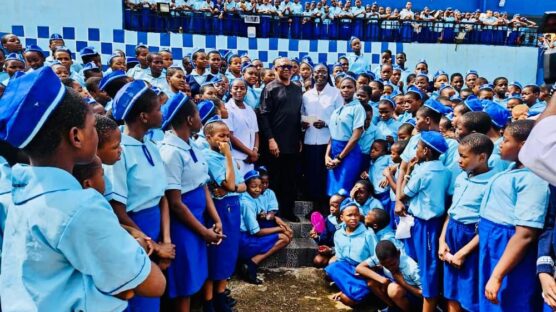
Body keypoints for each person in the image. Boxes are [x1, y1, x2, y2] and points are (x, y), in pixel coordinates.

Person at [0, 66, 166, 310]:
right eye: (92, 128)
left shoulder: (17, 195)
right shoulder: (81, 206)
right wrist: (136, 246)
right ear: (76, 136)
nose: (96, 135)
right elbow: (154, 284)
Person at [104, 80, 175, 312]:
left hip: (156, 227)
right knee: (139, 300)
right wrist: (152, 244)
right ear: (144, 116)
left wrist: (165, 241)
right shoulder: (119, 152)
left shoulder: (151, 145)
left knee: (153, 299)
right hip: (135, 233)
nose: (161, 113)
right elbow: (117, 209)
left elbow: (162, 197)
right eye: (157, 109)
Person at [158, 93, 225, 312]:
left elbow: (202, 185)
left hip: (199, 219)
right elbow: (175, 203)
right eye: (197, 114)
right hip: (185, 225)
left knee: (195, 275)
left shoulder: (191, 146)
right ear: (189, 120)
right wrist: (203, 232)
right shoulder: (170, 152)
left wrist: (214, 218)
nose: (200, 118)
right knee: (184, 281)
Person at [479, 120, 549, 312]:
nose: (500, 143)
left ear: (524, 146)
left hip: (508, 247)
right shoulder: (515, 168)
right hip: (494, 242)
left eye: (506, 140)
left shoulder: (534, 178)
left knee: (508, 301)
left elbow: (525, 234)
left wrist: (497, 275)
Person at [438, 133, 496, 312]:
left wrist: (463, 252)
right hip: (452, 233)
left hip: (471, 238)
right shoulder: (461, 177)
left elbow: (487, 225)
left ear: (482, 157)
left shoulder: (492, 183)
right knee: (451, 290)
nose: (458, 160)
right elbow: (452, 212)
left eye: (463, 156)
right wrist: (442, 240)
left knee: (469, 293)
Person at [398, 131, 451, 312]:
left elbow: (403, 194)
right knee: (423, 264)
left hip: (425, 225)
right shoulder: (445, 170)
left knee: (427, 266)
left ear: (426, 151)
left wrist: (406, 174)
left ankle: (429, 305)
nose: (416, 150)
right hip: (429, 223)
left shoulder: (424, 172)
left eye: (418, 147)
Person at [202, 119, 247, 312]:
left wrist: (233, 187)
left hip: (233, 205)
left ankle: (221, 295)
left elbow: (241, 185)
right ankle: (209, 301)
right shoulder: (210, 157)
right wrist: (229, 156)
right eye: (221, 135)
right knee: (216, 256)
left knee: (229, 253)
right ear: (209, 137)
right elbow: (227, 184)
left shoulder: (227, 157)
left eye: (228, 135)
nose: (226, 139)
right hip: (220, 208)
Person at [259, 57, 303, 222]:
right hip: (275, 143)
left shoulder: (297, 89)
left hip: (292, 142)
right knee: (275, 179)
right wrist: (270, 139)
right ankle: (274, 211)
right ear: (275, 69)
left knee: (290, 179)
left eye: (289, 66)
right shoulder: (269, 89)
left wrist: (299, 137)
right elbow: (264, 116)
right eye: (282, 66)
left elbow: (298, 115)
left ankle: (288, 211)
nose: (286, 69)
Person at [302, 63, 343, 212]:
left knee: (325, 174)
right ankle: (315, 208)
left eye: (324, 72)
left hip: (328, 141)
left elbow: (340, 117)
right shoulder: (306, 95)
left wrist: (326, 124)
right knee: (312, 174)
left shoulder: (336, 93)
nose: (320, 75)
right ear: (312, 75)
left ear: (328, 74)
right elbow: (301, 115)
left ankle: (327, 207)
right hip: (309, 140)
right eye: (317, 72)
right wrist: (304, 123)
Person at [238, 170, 291, 284]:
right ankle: (252, 262)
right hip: (243, 240)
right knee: (284, 238)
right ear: (246, 186)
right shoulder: (247, 203)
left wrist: (276, 220)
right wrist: (280, 228)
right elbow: (256, 232)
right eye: (253, 187)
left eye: (259, 186)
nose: (258, 189)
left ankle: (249, 262)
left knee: (285, 235)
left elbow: (264, 213)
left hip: (246, 236)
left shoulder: (252, 198)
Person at [324, 200, 378, 307]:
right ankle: (351, 289)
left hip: (365, 271)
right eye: (349, 215)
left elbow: (377, 257)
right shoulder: (338, 234)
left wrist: (367, 267)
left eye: (356, 215)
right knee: (331, 268)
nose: (353, 218)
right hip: (348, 268)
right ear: (342, 218)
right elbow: (340, 258)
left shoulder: (368, 234)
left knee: (347, 300)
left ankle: (356, 291)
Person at [326, 76, 365, 196]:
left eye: (349, 87)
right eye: (343, 87)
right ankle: (334, 215)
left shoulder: (358, 108)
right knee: (333, 190)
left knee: (344, 190)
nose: (346, 90)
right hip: (334, 151)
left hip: (349, 153)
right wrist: (327, 156)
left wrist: (339, 158)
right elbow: (332, 135)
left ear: (355, 89)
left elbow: (356, 136)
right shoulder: (338, 110)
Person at [356, 240, 422, 312]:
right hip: (398, 294)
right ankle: (392, 307)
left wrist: (403, 283)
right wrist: (383, 280)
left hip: (415, 298)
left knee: (394, 289)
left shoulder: (411, 268)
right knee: (372, 283)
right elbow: (359, 267)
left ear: (398, 253)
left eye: (392, 264)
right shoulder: (384, 257)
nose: (390, 268)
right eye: (385, 266)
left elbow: (425, 295)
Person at [225, 78, 259, 176]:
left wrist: (255, 151)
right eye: (235, 88)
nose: (239, 91)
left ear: (246, 91)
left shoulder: (250, 110)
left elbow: (256, 133)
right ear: (230, 91)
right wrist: (250, 152)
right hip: (236, 158)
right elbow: (230, 136)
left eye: (242, 88)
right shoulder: (227, 109)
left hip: (250, 159)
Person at [310, 191, 346, 267]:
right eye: (330, 206)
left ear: (344, 206)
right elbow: (324, 238)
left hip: (343, 252)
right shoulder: (329, 220)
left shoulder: (348, 223)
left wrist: (332, 250)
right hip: (329, 250)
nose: (331, 209)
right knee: (318, 261)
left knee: (332, 263)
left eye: (335, 206)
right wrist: (317, 237)